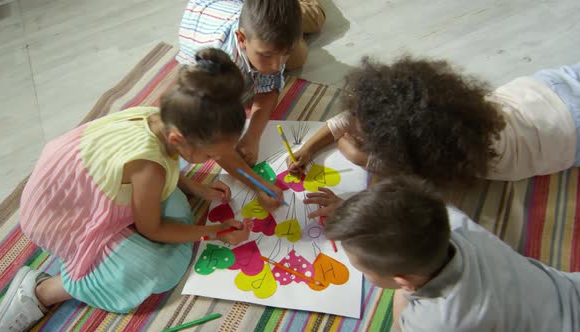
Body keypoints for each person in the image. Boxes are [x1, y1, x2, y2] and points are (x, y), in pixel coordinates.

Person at [0, 48, 253, 332]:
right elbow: (153, 228)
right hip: (59, 216)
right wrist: (216, 231)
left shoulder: (162, 117)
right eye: (210, 156)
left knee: (177, 208)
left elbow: (165, 161)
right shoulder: (150, 169)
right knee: (159, 270)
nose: (212, 161)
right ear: (179, 138)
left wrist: (195, 186)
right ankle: (42, 290)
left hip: (77, 190)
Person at [324, 177, 580, 332]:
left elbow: (403, 323)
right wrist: (350, 213)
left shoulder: (435, 322)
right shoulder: (451, 219)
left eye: (363, 270)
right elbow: (397, 212)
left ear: (402, 280)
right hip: (568, 291)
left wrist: (404, 305)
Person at [340, 57, 580, 190]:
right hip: (548, 86)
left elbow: (402, 181)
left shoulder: (446, 164)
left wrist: (363, 159)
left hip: (570, 134)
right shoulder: (458, 109)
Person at [177, 0, 325, 167]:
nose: (277, 65)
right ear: (242, 39)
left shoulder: (264, 49)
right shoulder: (218, 67)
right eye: (266, 55)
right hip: (216, 9)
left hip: (237, 10)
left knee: (302, 47)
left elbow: (269, 89)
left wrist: (252, 136)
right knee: (302, 44)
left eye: (285, 53)